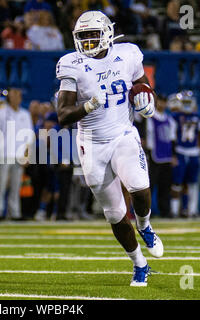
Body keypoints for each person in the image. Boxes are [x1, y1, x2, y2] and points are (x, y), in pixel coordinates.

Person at [56, 11, 163, 287]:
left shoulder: (128, 54)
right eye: (83, 36)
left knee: (139, 186)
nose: (89, 41)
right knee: (114, 214)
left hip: (123, 134)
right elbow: (63, 114)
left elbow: (141, 83)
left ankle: (144, 224)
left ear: (107, 33)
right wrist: (87, 106)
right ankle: (140, 264)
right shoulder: (72, 64)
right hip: (91, 144)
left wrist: (146, 99)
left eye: (93, 34)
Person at [0, 87, 34, 221]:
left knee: (16, 186)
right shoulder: (1, 113)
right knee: (1, 185)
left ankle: (14, 213)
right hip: (3, 154)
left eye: (18, 95)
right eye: (14, 95)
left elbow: (29, 137)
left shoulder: (25, 114)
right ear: (9, 98)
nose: (16, 98)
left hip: (19, 155)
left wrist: (27, 155)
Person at [168, 91, 200, 218]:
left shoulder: (199, 116)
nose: (187, 105)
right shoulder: (175, 117)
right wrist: (173, 154)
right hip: (180, 151)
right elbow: (172, 137)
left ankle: (192, 210)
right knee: (177, 182)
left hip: (194, 151)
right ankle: (174, 210)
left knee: (193, 182)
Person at [145, 94, 176, 218]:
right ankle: (146, 211)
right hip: (154, 156)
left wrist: (173, 156)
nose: (162, 105)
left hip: (167, 156)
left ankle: (165, 211)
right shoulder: (150, 118)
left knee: (165, 186)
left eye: (164, 102)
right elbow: (148, 138)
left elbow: (172, 140)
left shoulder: (170, 120)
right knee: (150, 185)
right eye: (160, 102)